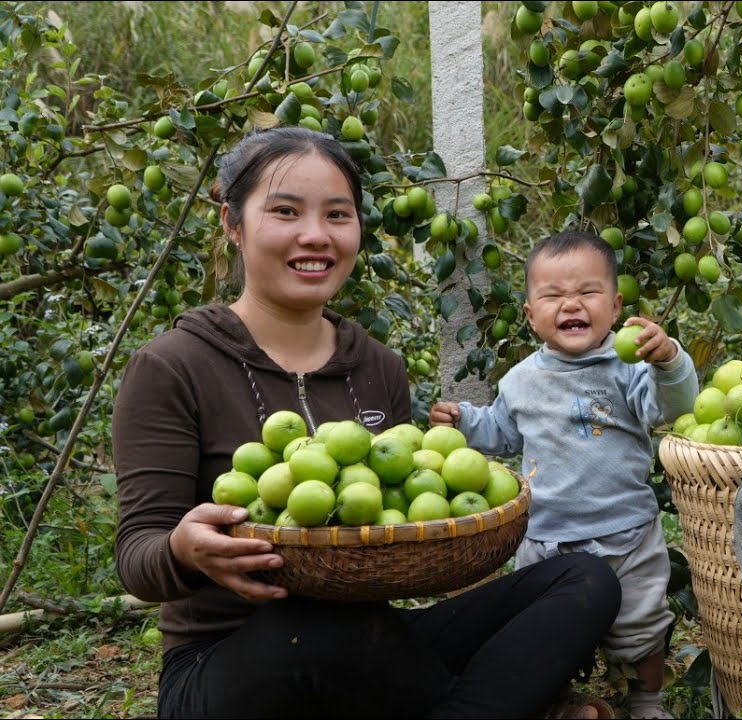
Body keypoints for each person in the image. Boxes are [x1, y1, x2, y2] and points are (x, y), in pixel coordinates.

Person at [113, 126, 621, 720]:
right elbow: (138, 556)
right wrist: (183, 550)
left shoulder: (377, 366)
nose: (315, 235)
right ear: (233, 222)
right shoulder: (173, 366)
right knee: (316, 626)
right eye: (285, 211)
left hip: (372, 644)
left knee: (584, 580)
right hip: (230, 664)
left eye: (337, 214)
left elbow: (393, 530)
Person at [430, 231, 699, 720]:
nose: (571, 304)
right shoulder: (520, 381)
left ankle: (647, 702)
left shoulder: (629, 368)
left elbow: (671, 408)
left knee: (641, 626)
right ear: (531, 315)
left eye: (588, 292)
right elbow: (500, 433)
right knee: (545, 632)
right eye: (553, 295)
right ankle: (555, 703)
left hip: (627, 532)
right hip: (546, 539)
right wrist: (463, 422)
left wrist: (669, 362)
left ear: (614, 307)